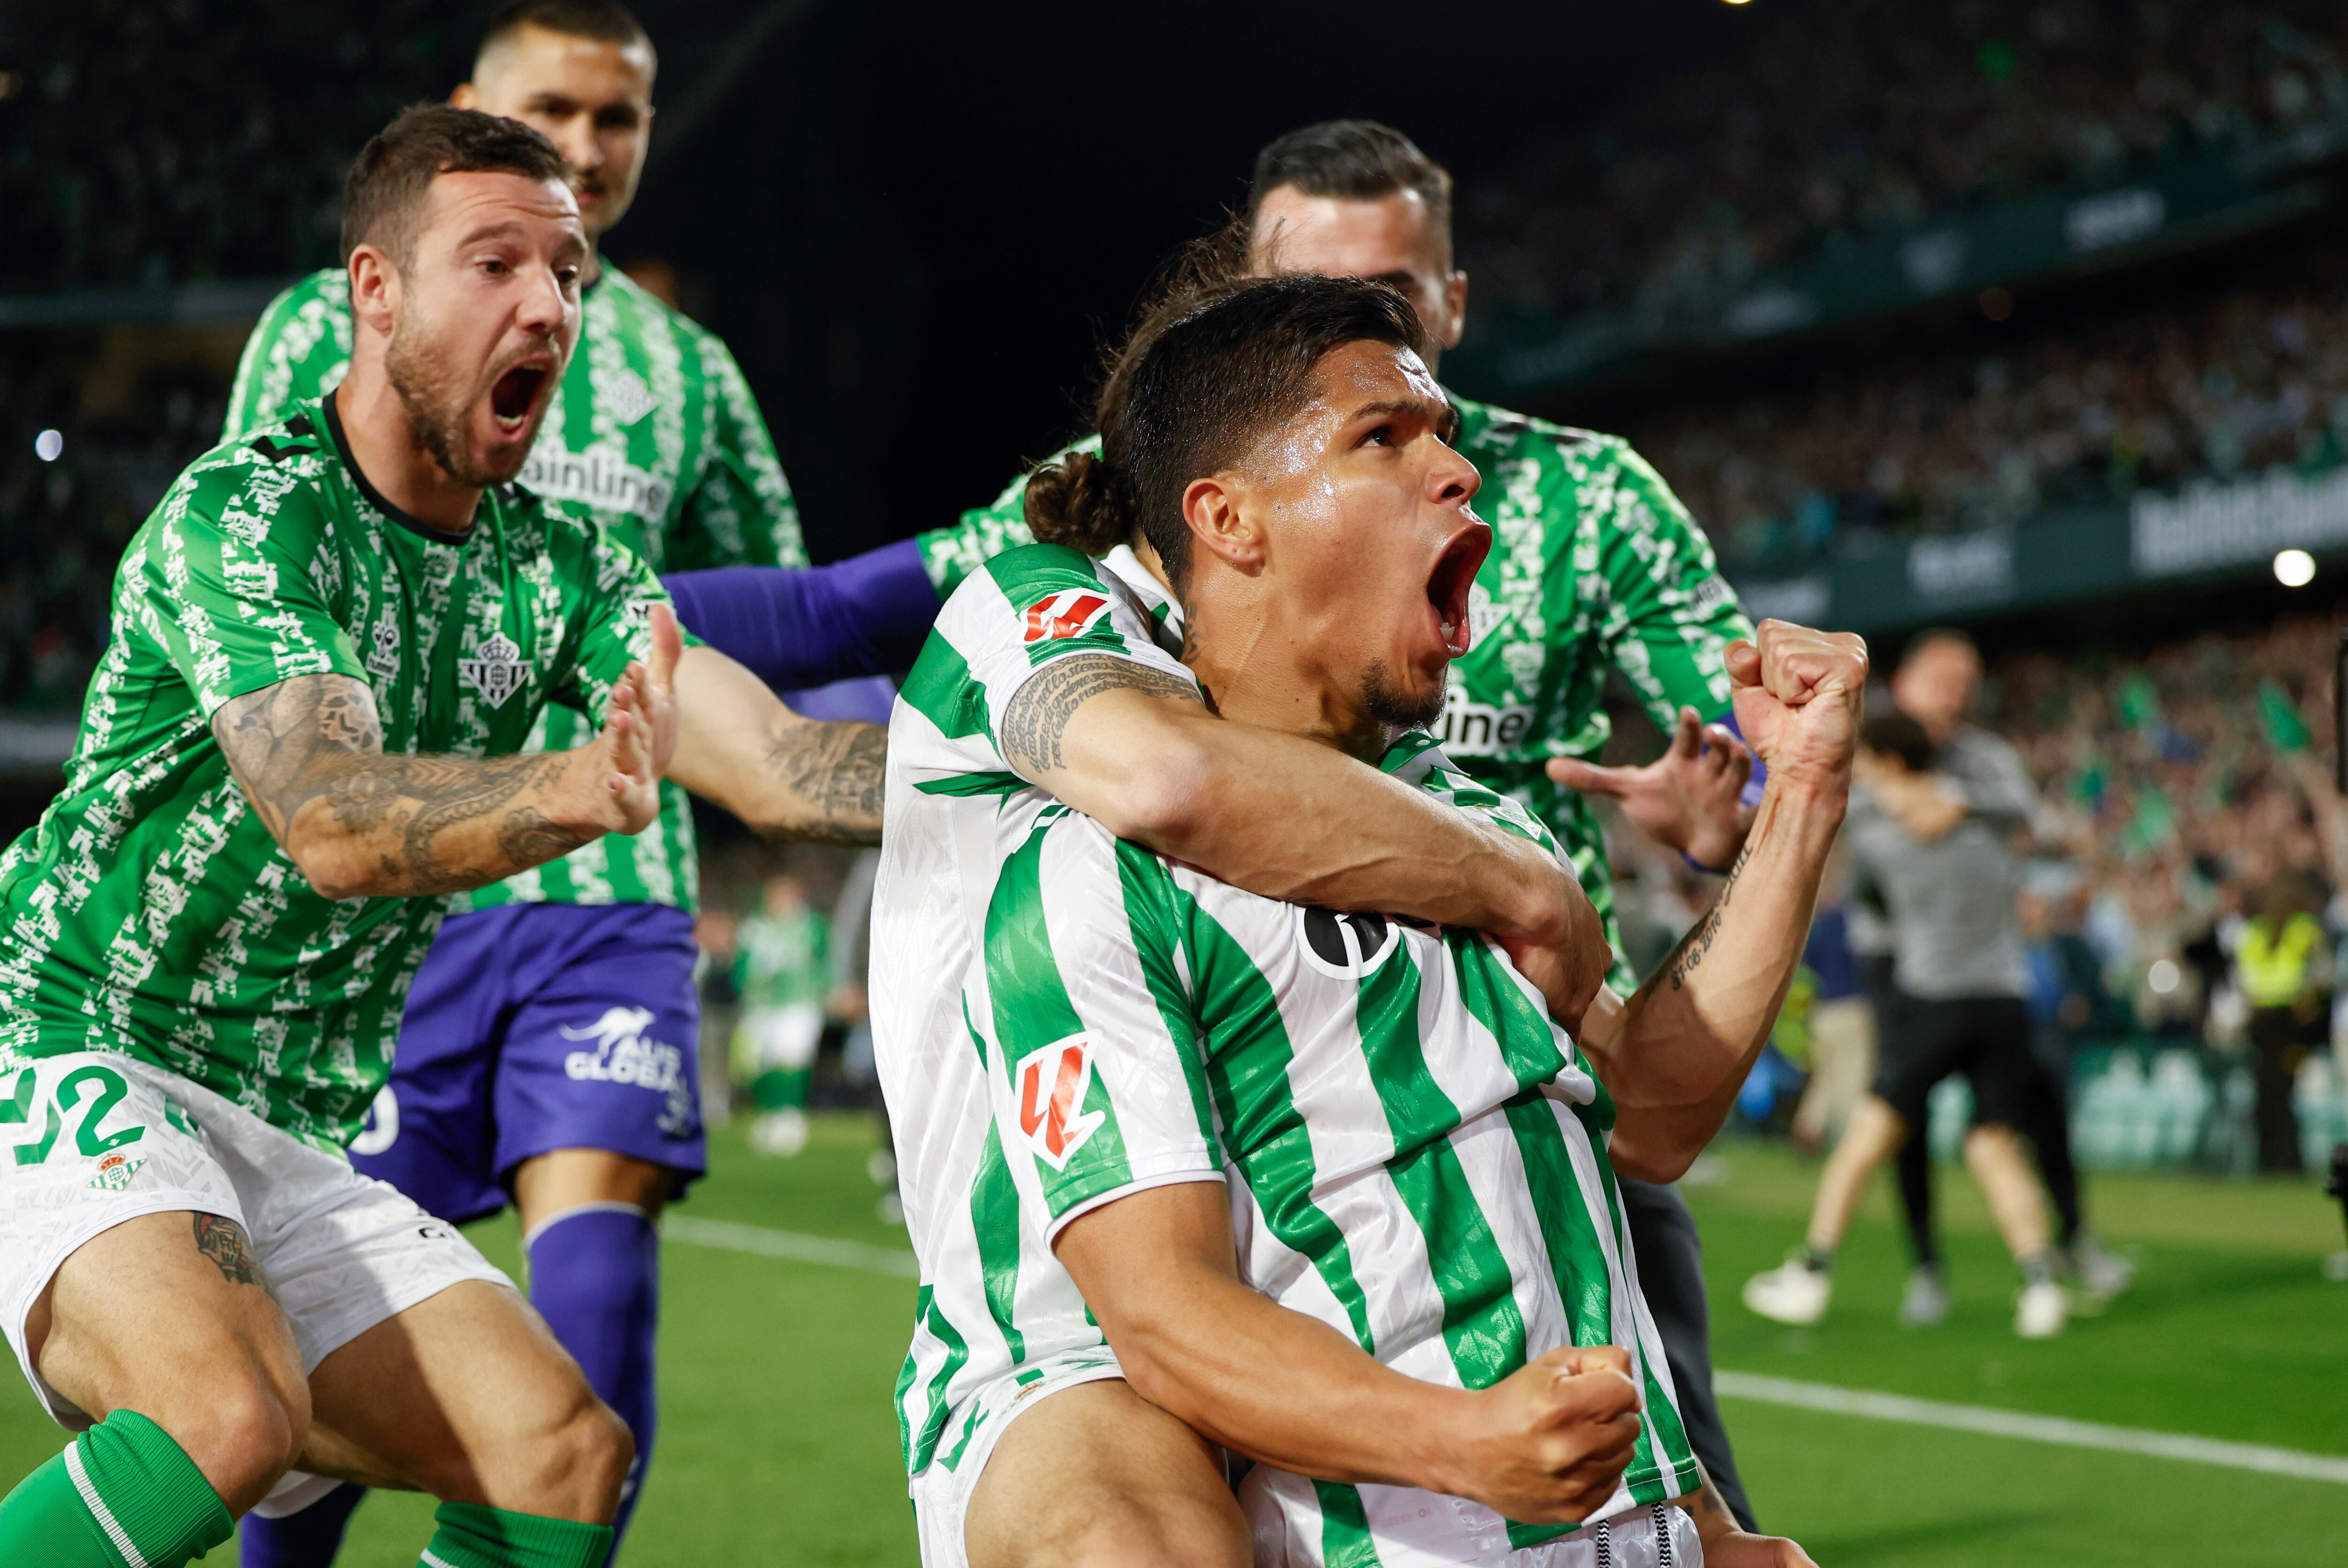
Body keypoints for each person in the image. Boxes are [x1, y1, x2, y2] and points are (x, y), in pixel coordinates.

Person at [0, 106, 883, 1568]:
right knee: (225, 1417)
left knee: (559, 1455)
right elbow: (333, 823)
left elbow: (783, 763)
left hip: (282, 1125)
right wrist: (567, 790)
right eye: (496, 265)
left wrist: (1063, 780)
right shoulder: (248, 515)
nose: (548, 305)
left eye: (571, 278)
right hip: (73, 1043)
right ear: (376, 291)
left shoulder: (564, 568)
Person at [877, 272, 1855, 1568]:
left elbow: (1655, 1107)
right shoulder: (1092, 873)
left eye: (1443, 429)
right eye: (1380, 438)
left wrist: (1803, 797)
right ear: (1227, 520)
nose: (1458, 469)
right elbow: (1166, 1316)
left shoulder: (1457, 827)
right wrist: (1467, 1444)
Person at [221, 6, 936, 1560]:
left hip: (609, 890)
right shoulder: (316, 327)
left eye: (622, 118)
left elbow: (777, 615)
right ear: (470, 110)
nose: (593, 148)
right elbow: (269, 596)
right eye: (557, 109)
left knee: (596, 1309)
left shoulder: (691, 373)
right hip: (398, 899)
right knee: (342, 1342)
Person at [1743, 713, 2070, 1339]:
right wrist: (1954, 798)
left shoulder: (1878, 825)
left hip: (1932, 999)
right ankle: (2041, 1284)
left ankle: (1812, 1272)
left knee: (1866, 1136)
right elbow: (2022, 806)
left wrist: (1887, 787)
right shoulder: (1990, 822)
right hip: (2005, 998)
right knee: (1993, 1145)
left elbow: (1848, 804)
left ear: (1889, 760)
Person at [1874, 630, 2130, 1309]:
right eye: (1943, 679)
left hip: (1990, 965)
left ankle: (2074, 1236)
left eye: (1966, 682)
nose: (1955, 693)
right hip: (1903, 961)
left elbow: (2029, 811)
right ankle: (1927, 1266)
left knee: (2037, 1103)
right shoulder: (1866, 749)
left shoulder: (1982, 757)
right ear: (1905, 682)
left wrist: (1954, 796)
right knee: (1903, 1120)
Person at [2235, 871, 2332, 1175]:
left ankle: (2283, 1160)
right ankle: (2277, 1159)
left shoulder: (2297, 930)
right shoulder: (2264, 932)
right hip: (2271, 1020)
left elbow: (2317, 973)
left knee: (2278, 1091)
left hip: (2285, 1020)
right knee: (2272, 1092)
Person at [732, 873, 831, 1157]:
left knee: (793, 1059)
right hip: (761, 1006)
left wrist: (828, 992)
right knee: (760, 1065)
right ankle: (769, 1113)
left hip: (799, 1003)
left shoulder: (812, 927)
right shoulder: (755, 928)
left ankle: (791, 1117)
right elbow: (742, 965)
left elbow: (825, 961)